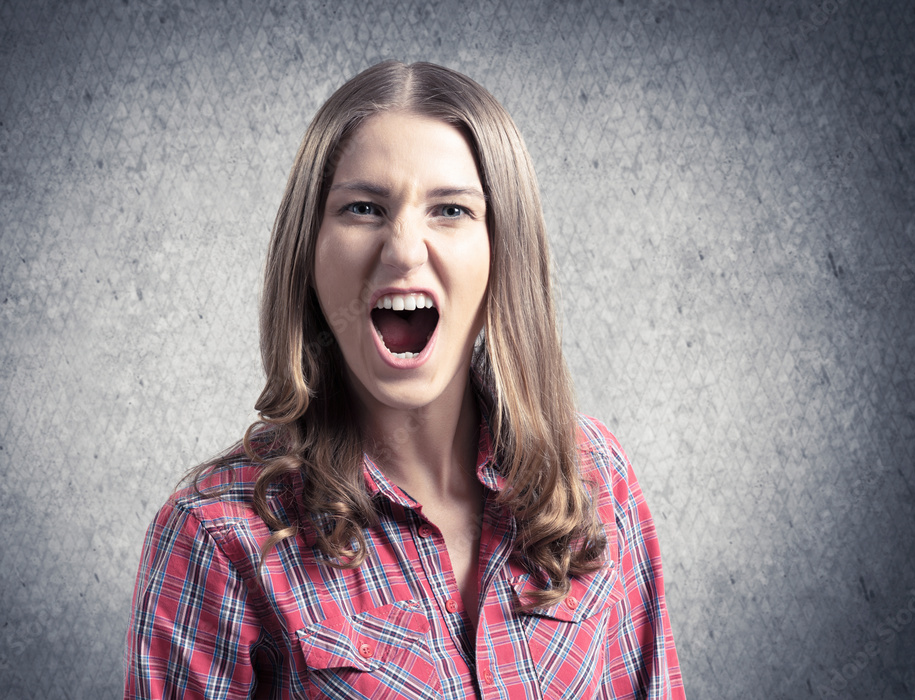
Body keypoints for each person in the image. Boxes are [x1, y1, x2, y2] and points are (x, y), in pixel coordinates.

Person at [124, 60, 686, 699]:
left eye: (450, 210)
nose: (404, 249)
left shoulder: (596, 479)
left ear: (505, 254)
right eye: (363, 208)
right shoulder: (217, 534)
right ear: (308, 253)